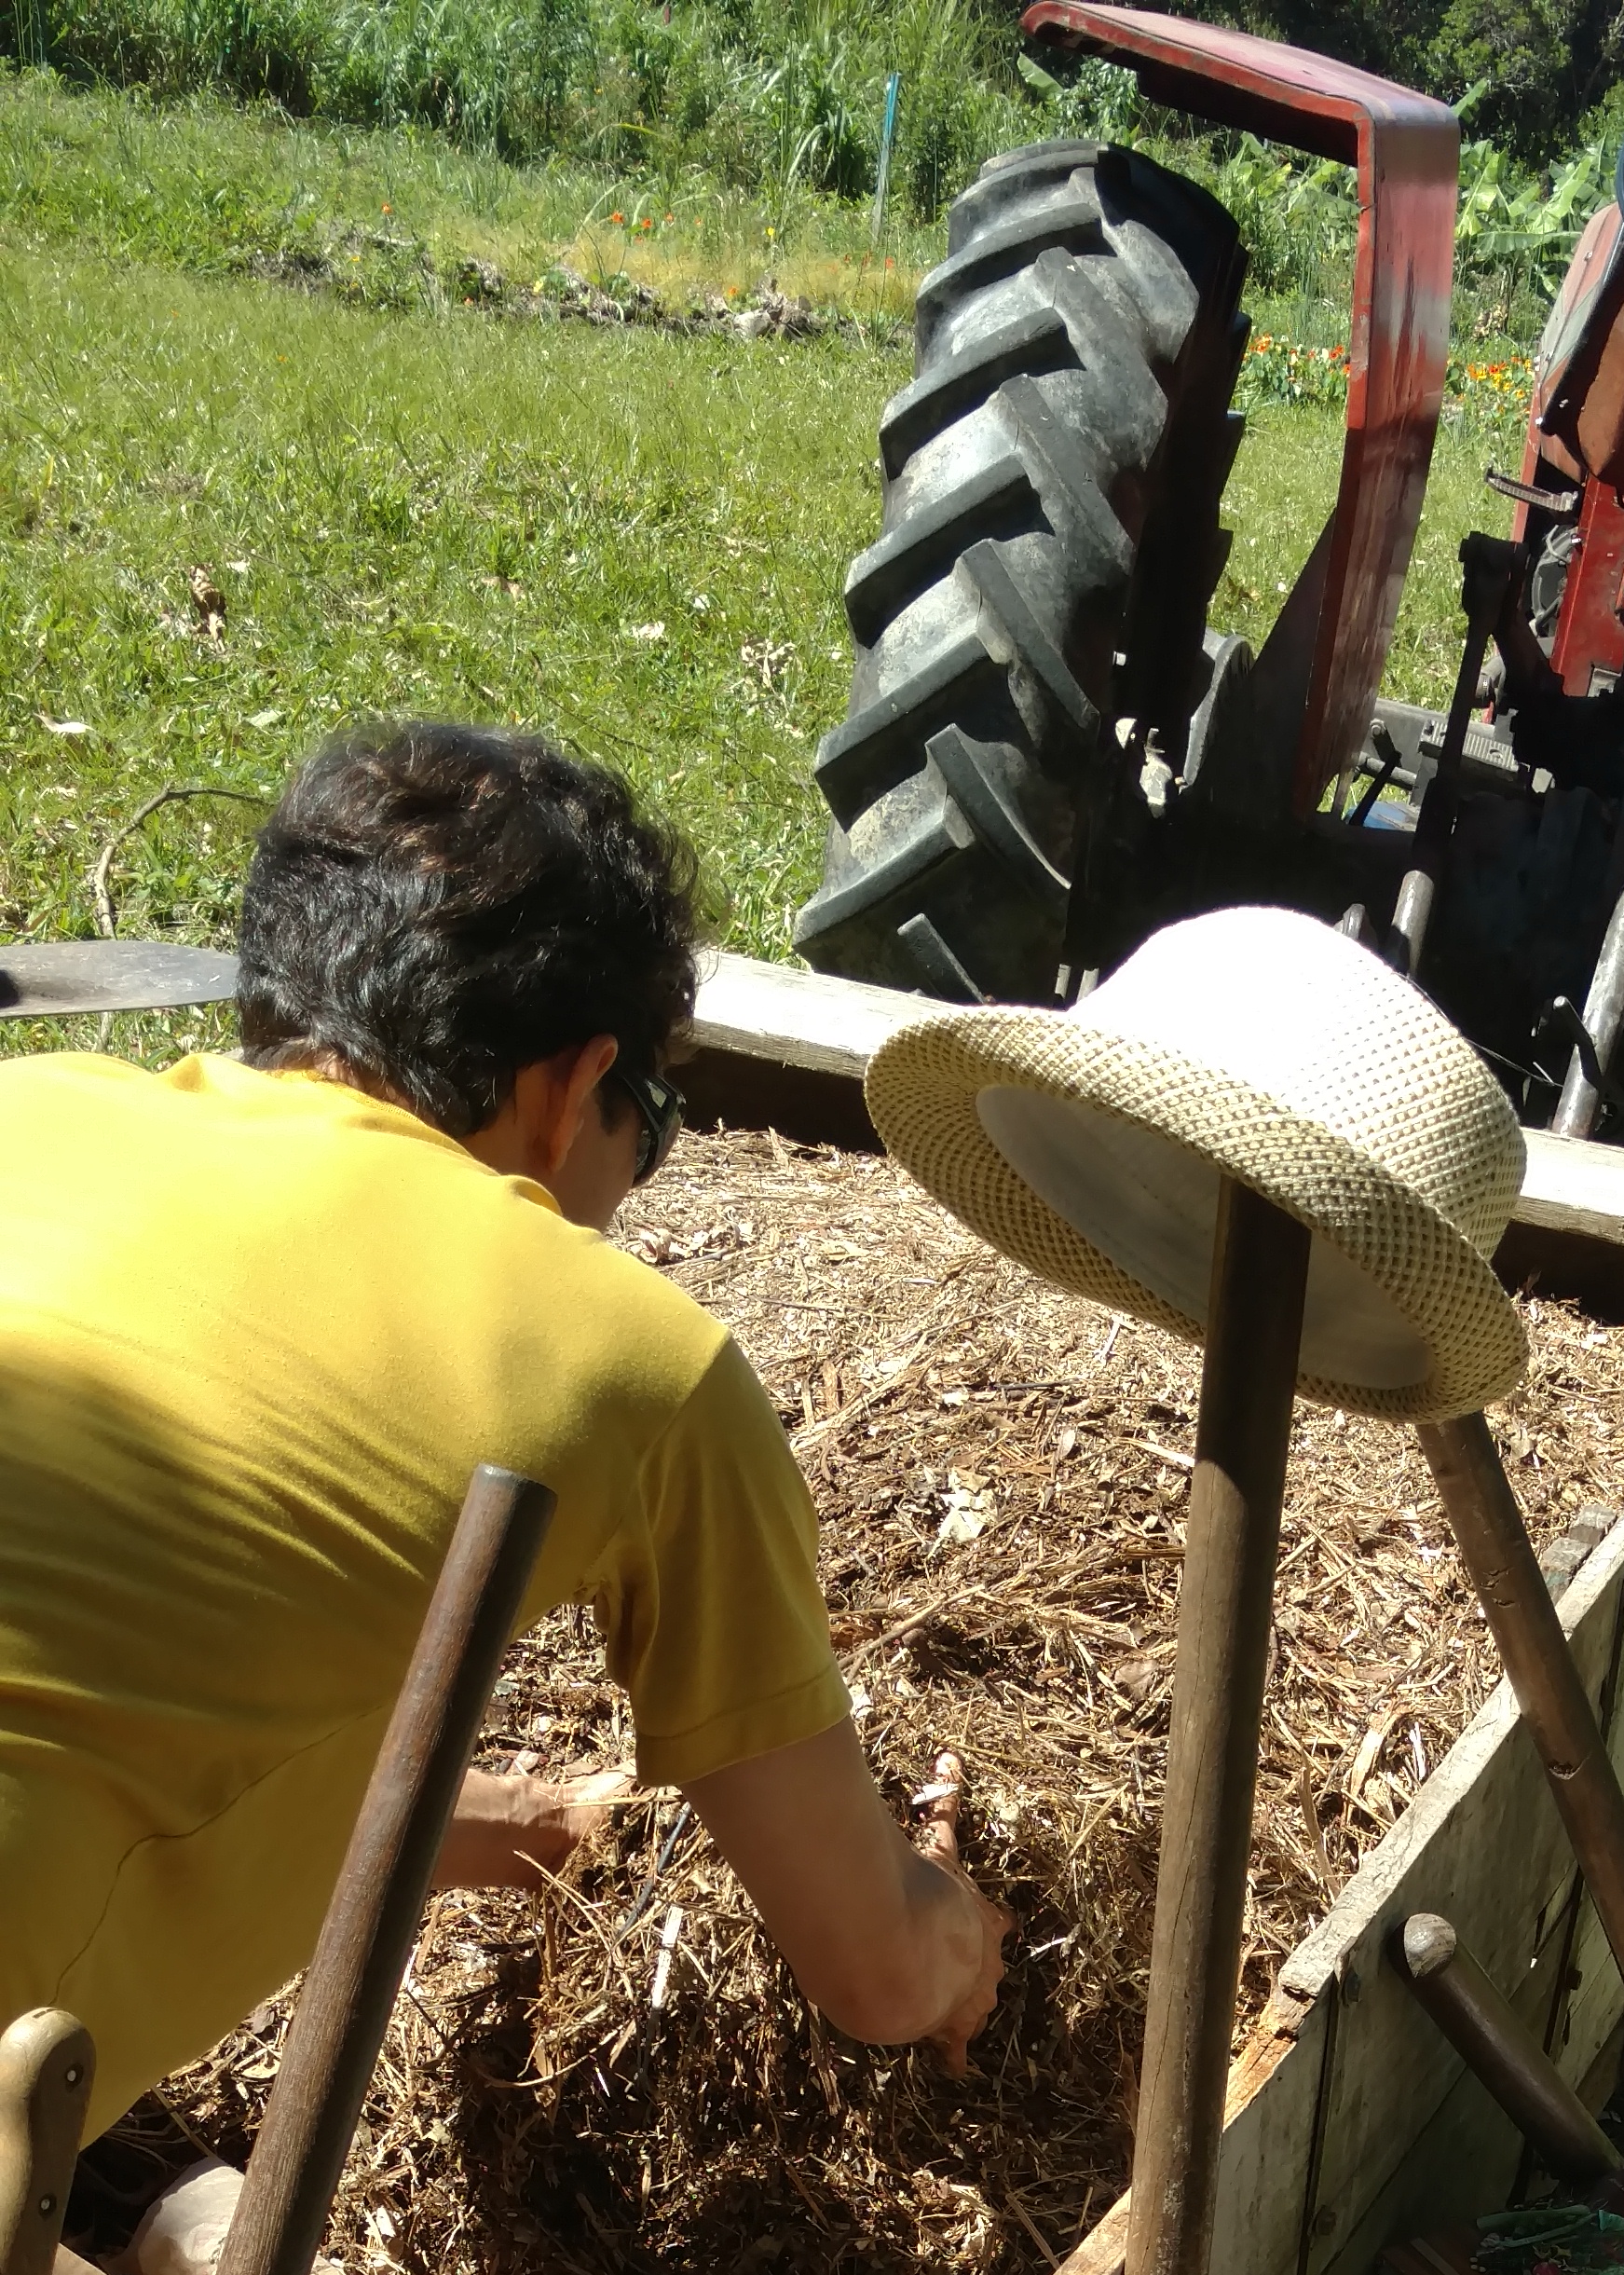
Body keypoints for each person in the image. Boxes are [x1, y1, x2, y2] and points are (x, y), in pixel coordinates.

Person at [0, 722, 1005, 2143]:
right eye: (646, 1121)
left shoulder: (28, 1108)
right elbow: (877, 1976)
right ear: (566, 1084)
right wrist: (963, 1936)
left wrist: (534, 1830)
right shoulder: (630, 1363)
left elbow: (128, 1697)